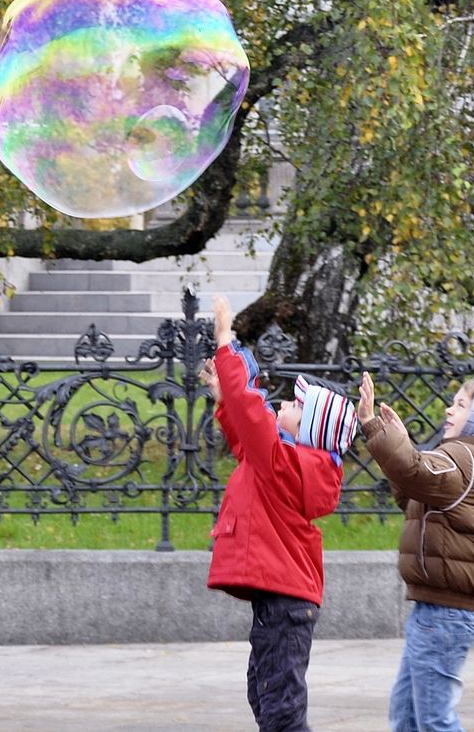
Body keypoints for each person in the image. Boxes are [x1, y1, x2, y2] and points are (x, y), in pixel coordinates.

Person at [200, 294, 357, 731]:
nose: (283, 404)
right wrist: (224, 396)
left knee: (281, 710)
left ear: (308, 431)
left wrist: (227, 342)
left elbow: (253, 421)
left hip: (287, 606)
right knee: (267, 695)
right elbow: (246, 441)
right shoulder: (281, 464)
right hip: (284, 605)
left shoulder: (287, 465)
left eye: (295, 406)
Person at [357, 372, 474, 732]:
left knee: (434, 720)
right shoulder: (471, 458)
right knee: (408, 716)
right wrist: (399, 444)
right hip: (439, 610)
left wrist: (375, 428)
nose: (450, 410)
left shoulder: (465, 457)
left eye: (461, 405)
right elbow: (414, 491)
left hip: (444, 614)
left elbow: (417, 472)